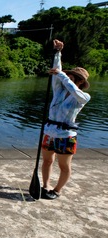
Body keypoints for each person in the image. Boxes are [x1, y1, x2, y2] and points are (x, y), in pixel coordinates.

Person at [41, 39, 91, 200]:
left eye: (73, 77)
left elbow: (69, 85)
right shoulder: (59, 91)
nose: (68, 77)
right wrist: (57, 53)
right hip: (49, 132)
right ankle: (45, 185)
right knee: (47, 161)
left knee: (64, 165)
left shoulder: (83, 96)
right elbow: (58, 75)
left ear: (80, 81)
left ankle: (57, 190)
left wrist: (62, 75)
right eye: (69, 75)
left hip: (66, 136)